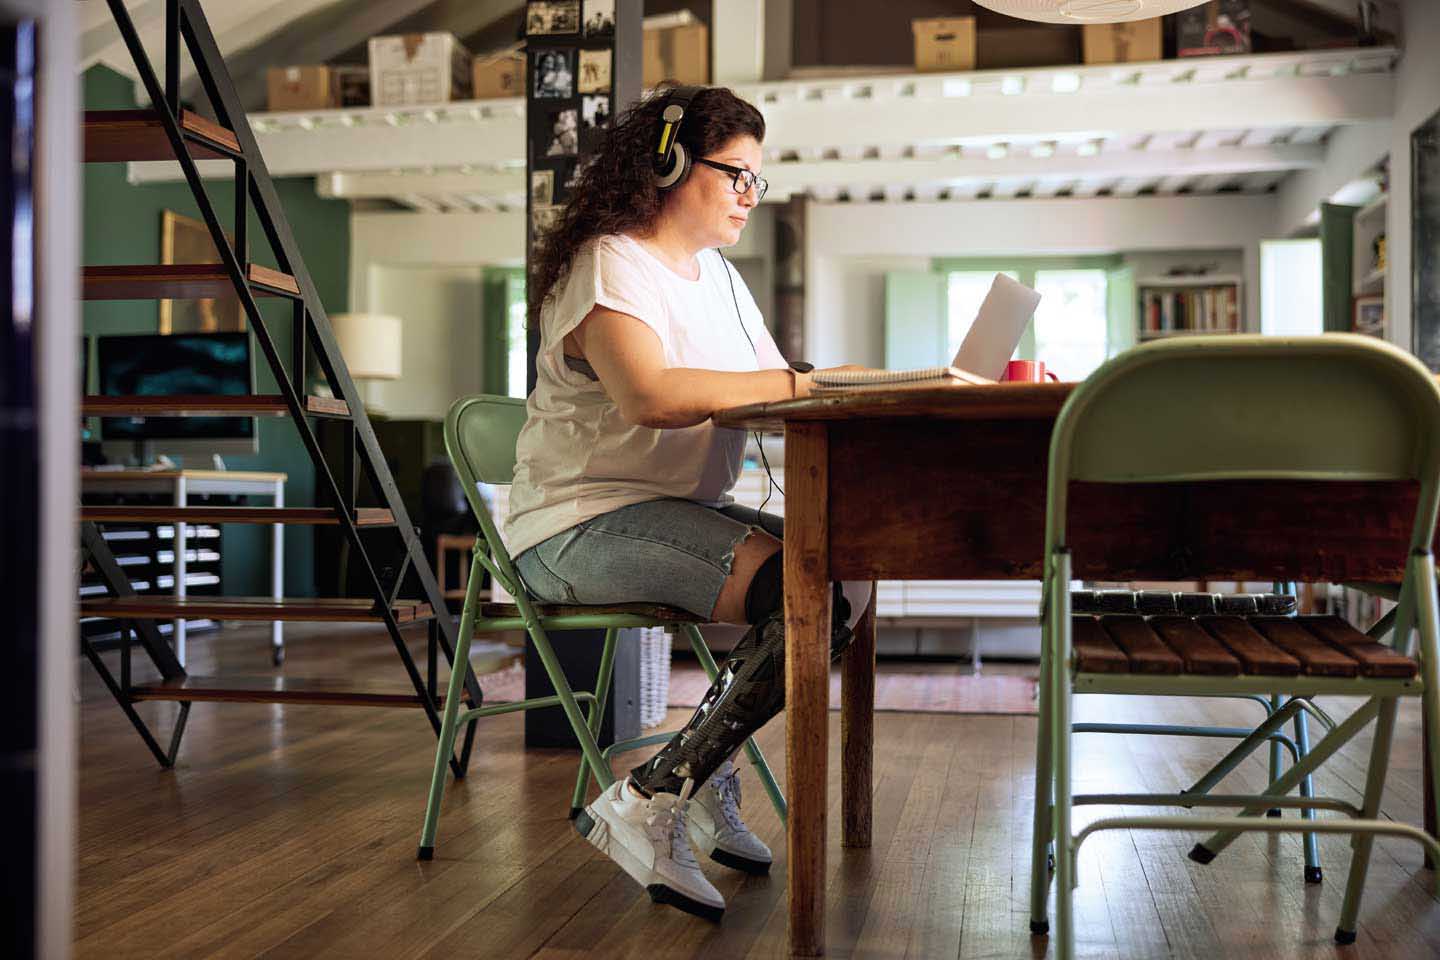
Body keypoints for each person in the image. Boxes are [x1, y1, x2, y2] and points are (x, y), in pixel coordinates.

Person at [509, 85, 874, 922]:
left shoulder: (720, 277)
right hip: (575, 525)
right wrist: (804, 381)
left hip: (663, 514)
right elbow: (649, 395)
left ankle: (696, 778)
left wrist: (852, 384)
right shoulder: (609, 261)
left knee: (840, 575)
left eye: (757, 179)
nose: (751, 194)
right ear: (669, 164)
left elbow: (775, 388)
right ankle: (653, 797)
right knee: (799, 587)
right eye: (736, 174)